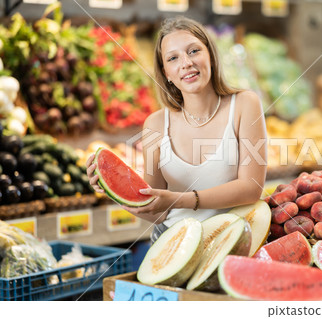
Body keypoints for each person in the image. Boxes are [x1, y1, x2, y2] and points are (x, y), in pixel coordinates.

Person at [86, 16, 267, 243]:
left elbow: (251, 188)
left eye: (193, 51)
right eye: (173, 58)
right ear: (166, 74)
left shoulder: (244, 104)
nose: (186, 63)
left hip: (229, 243)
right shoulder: (155, 124)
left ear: (210, 55)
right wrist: (113, 190)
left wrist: (178, 199)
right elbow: (157, 210)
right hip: (172, 244)